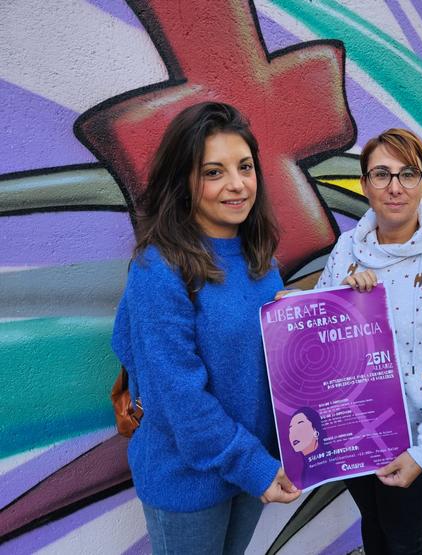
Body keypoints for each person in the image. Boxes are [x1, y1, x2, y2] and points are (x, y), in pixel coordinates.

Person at [111, 102, 300, 555]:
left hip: (251, 466)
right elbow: (179, 398)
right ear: (184, 182)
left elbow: (269, 365)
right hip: (188, 481)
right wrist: (255, 466)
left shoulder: (261, 260)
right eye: (213, 172)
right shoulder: (159, 268)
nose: (237, 185)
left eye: (245, 167)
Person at [315, 128, 422, 554]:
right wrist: (340, 300)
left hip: (415, 434)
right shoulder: (346, 249)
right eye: (382, 174)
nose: (395, 187)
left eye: (407, 174)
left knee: (404, 539)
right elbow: (318, 334)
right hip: (354, 424)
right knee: (373, 526)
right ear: (364, 184)